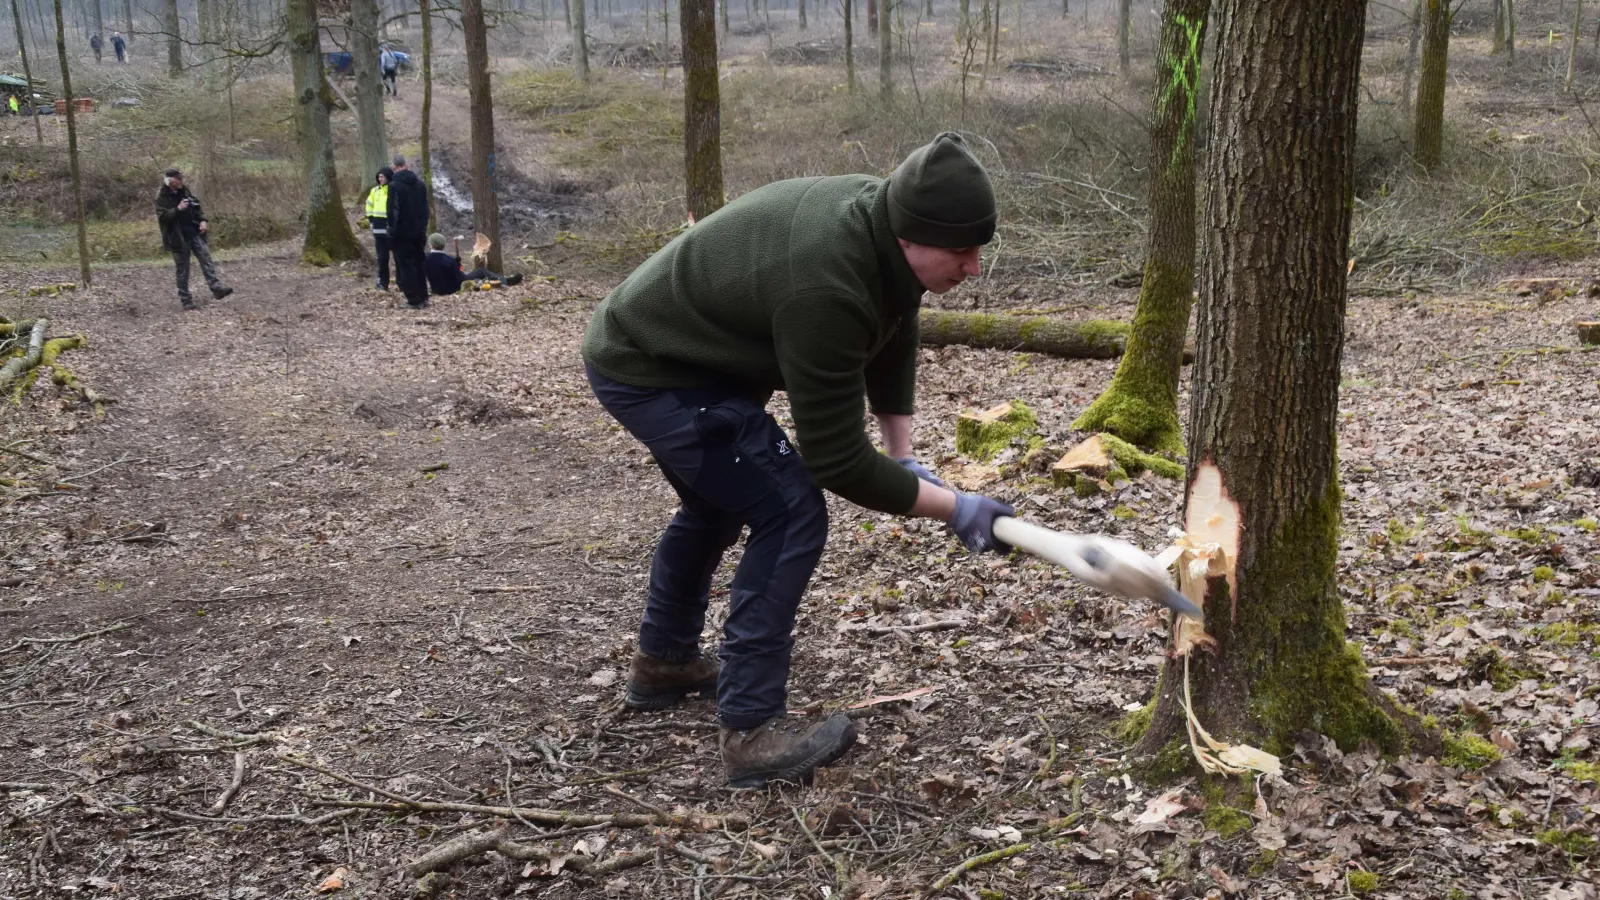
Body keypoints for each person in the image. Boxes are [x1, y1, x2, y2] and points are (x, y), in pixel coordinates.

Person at [581, 133, 1014, 788]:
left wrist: (905, 457)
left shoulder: (885, 227)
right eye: (961, 251)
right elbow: (837, 460)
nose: (974, 266)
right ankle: (751, 733)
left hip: (687, 360)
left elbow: (893, 327)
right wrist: (956, 508)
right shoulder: (827, 285)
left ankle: (664, 663)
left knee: (719, 503)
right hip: (649, 367)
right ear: (911, 234)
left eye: (978, 247)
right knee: (790, 510)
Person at [155, 168, 233, 311]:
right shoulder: (161, 197)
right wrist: (178, 209)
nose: (181, 181)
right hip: (178, 238)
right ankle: (186, 300)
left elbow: (196, 206)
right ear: (170, 181)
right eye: (178, 179)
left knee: (206, 260)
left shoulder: (184, 190)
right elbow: (163, 217)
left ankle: (217, 289)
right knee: (183, 270)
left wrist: (203, 220)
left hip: (194, 233)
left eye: (181, 178)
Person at [385, 155, 431, 309]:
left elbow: (393, 211)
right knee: (419, 263)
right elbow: (426, 210)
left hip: (402, 233)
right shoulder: (420, 184)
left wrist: (391, 232)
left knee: (406, 265)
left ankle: (413, 298)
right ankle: (423, 296)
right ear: (406, 165)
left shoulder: (394, 186)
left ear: (394, 167)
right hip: (418, 232)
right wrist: (423, 227)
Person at [422, 234, 523, 295]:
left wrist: (456, 264)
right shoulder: (449, 260)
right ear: (443, 245)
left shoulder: (424, 258)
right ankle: (506, 281)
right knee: (481, 271)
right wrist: (456, 265)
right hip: (452, 289)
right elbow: (458, 279)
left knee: (478, 277)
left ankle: (494, 282)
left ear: (431, 245)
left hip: (437, 289)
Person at [365, 168, 393, 291]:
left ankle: (402, 282)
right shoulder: (374, 191)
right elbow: (369, 206)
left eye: (383, 177)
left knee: (398, 256)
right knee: (382, 258)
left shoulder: (393, 190)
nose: (380, 179)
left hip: (392, 229)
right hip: (378, 229)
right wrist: (371, 220)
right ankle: (382, 282)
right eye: (379, 177)